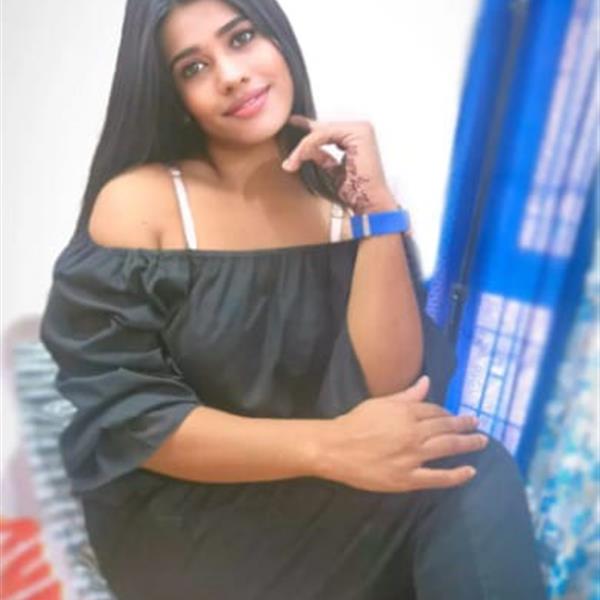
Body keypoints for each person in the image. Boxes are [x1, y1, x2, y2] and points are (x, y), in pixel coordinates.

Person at [39, 1, 547, 598]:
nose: (232, 74)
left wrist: (378, 212)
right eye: (194, 67)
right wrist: (329, 448)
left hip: (325, 492)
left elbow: (390, 389)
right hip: (191, 524)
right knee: (464, 480)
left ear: (278, 40)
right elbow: (132, 420)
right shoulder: (142, 203)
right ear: (174, 97)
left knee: (465, 468)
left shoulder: (339, 198)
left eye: (241, 38)